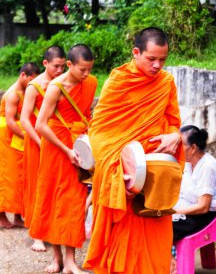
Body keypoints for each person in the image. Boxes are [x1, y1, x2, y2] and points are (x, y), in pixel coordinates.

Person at [83, 27, 185, 274]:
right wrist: (121, 177)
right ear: (136, 53)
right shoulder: (118, 81)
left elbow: (173, 121)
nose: (158, 65)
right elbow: (100, 132)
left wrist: (176, 135)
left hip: (154, 178)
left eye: (163, 59)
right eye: (151, 59)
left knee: (153, 244)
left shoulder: (166, 83)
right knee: (121, 246)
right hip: (124, 177)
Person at [29, 44, 97, 274]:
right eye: (82, 70)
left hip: (78, 148)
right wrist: (66, 149)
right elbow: (40, 125)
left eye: (89, 69)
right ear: (69, 65)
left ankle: (70, 262)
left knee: (74, 204)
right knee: (52, 200)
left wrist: (86, 142)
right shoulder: (54, 88)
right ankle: (57, 259)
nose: (86, 75)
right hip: (56, 148)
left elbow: (87, 115)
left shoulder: (91, 83)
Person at [20, 45, 66, 252]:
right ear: (45, 64)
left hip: (56, 138)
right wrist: (40, 142)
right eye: (56, 66)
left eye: (63, 66)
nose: (60, 70)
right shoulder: (34, 86)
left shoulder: (64, 83)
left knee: (56, 185)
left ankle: (55, 228)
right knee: (37, 185)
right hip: (37, 141)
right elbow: (25, 119)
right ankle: (37, 234)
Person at [170, 125, 216, 273]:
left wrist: (174, 211)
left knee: (167, 227)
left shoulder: (207, 166)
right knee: (159, 221)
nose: (178, 148)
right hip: (191, 207)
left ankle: (172, 264)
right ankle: (170, 261)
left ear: (193, 148)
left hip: (206, 214)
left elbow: (204, 206)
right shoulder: (188, 163)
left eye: (182, 145)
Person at [0, 62, 40, 229]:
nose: (33, 84)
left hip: (20, 138)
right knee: (8, 177)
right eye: (31, 80)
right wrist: (28, 136)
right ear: (23, 75)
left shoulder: (26, 91)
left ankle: (18, 216)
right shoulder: (12, 94)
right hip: (7, 137)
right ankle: (2, 216)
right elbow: (10, 122)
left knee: (23, 177)